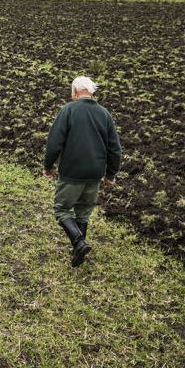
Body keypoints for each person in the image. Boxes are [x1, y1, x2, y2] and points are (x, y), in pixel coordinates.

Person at [42, 76, 122, 267]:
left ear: (75, 92)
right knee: (83, 213)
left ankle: (79, 242)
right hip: (95, 172)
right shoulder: (104, 113)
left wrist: (48, 166)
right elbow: (115, 148)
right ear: (92, 92)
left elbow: (54, 142)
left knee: (61, 209)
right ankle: (78, 252)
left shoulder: (68, 110)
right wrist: (111, 174)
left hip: (72, 171)